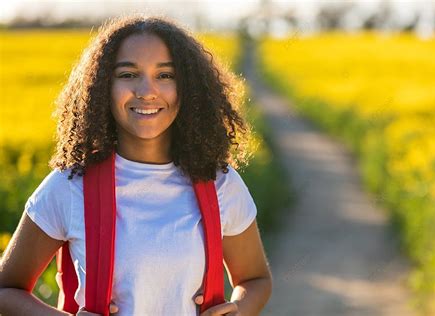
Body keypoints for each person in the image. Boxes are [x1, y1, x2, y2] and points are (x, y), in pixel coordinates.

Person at [0, 14, 272, 315]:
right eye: (128, 75)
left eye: (165, 75)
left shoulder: (220, 183)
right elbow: (6, 289)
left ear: (189, 89)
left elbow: (255, 279)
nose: (146, 91)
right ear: (103, 86)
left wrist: (239, 308)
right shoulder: (69, 186)